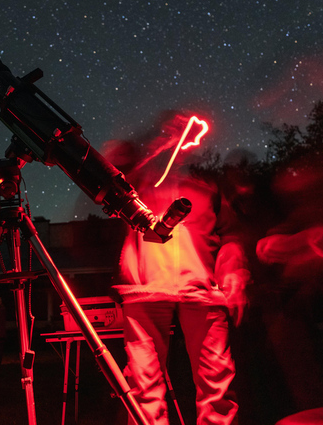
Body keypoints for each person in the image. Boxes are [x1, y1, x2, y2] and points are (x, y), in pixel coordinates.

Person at [109, 112, 249, 425]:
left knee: (217, 384)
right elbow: (108, 186)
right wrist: (156, 148)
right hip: (143, 288)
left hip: (202, 290)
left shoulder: (207, 182)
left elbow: (231, 233)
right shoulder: (136, 176)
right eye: (167, 130)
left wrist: (234, 271)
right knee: (144, 390)